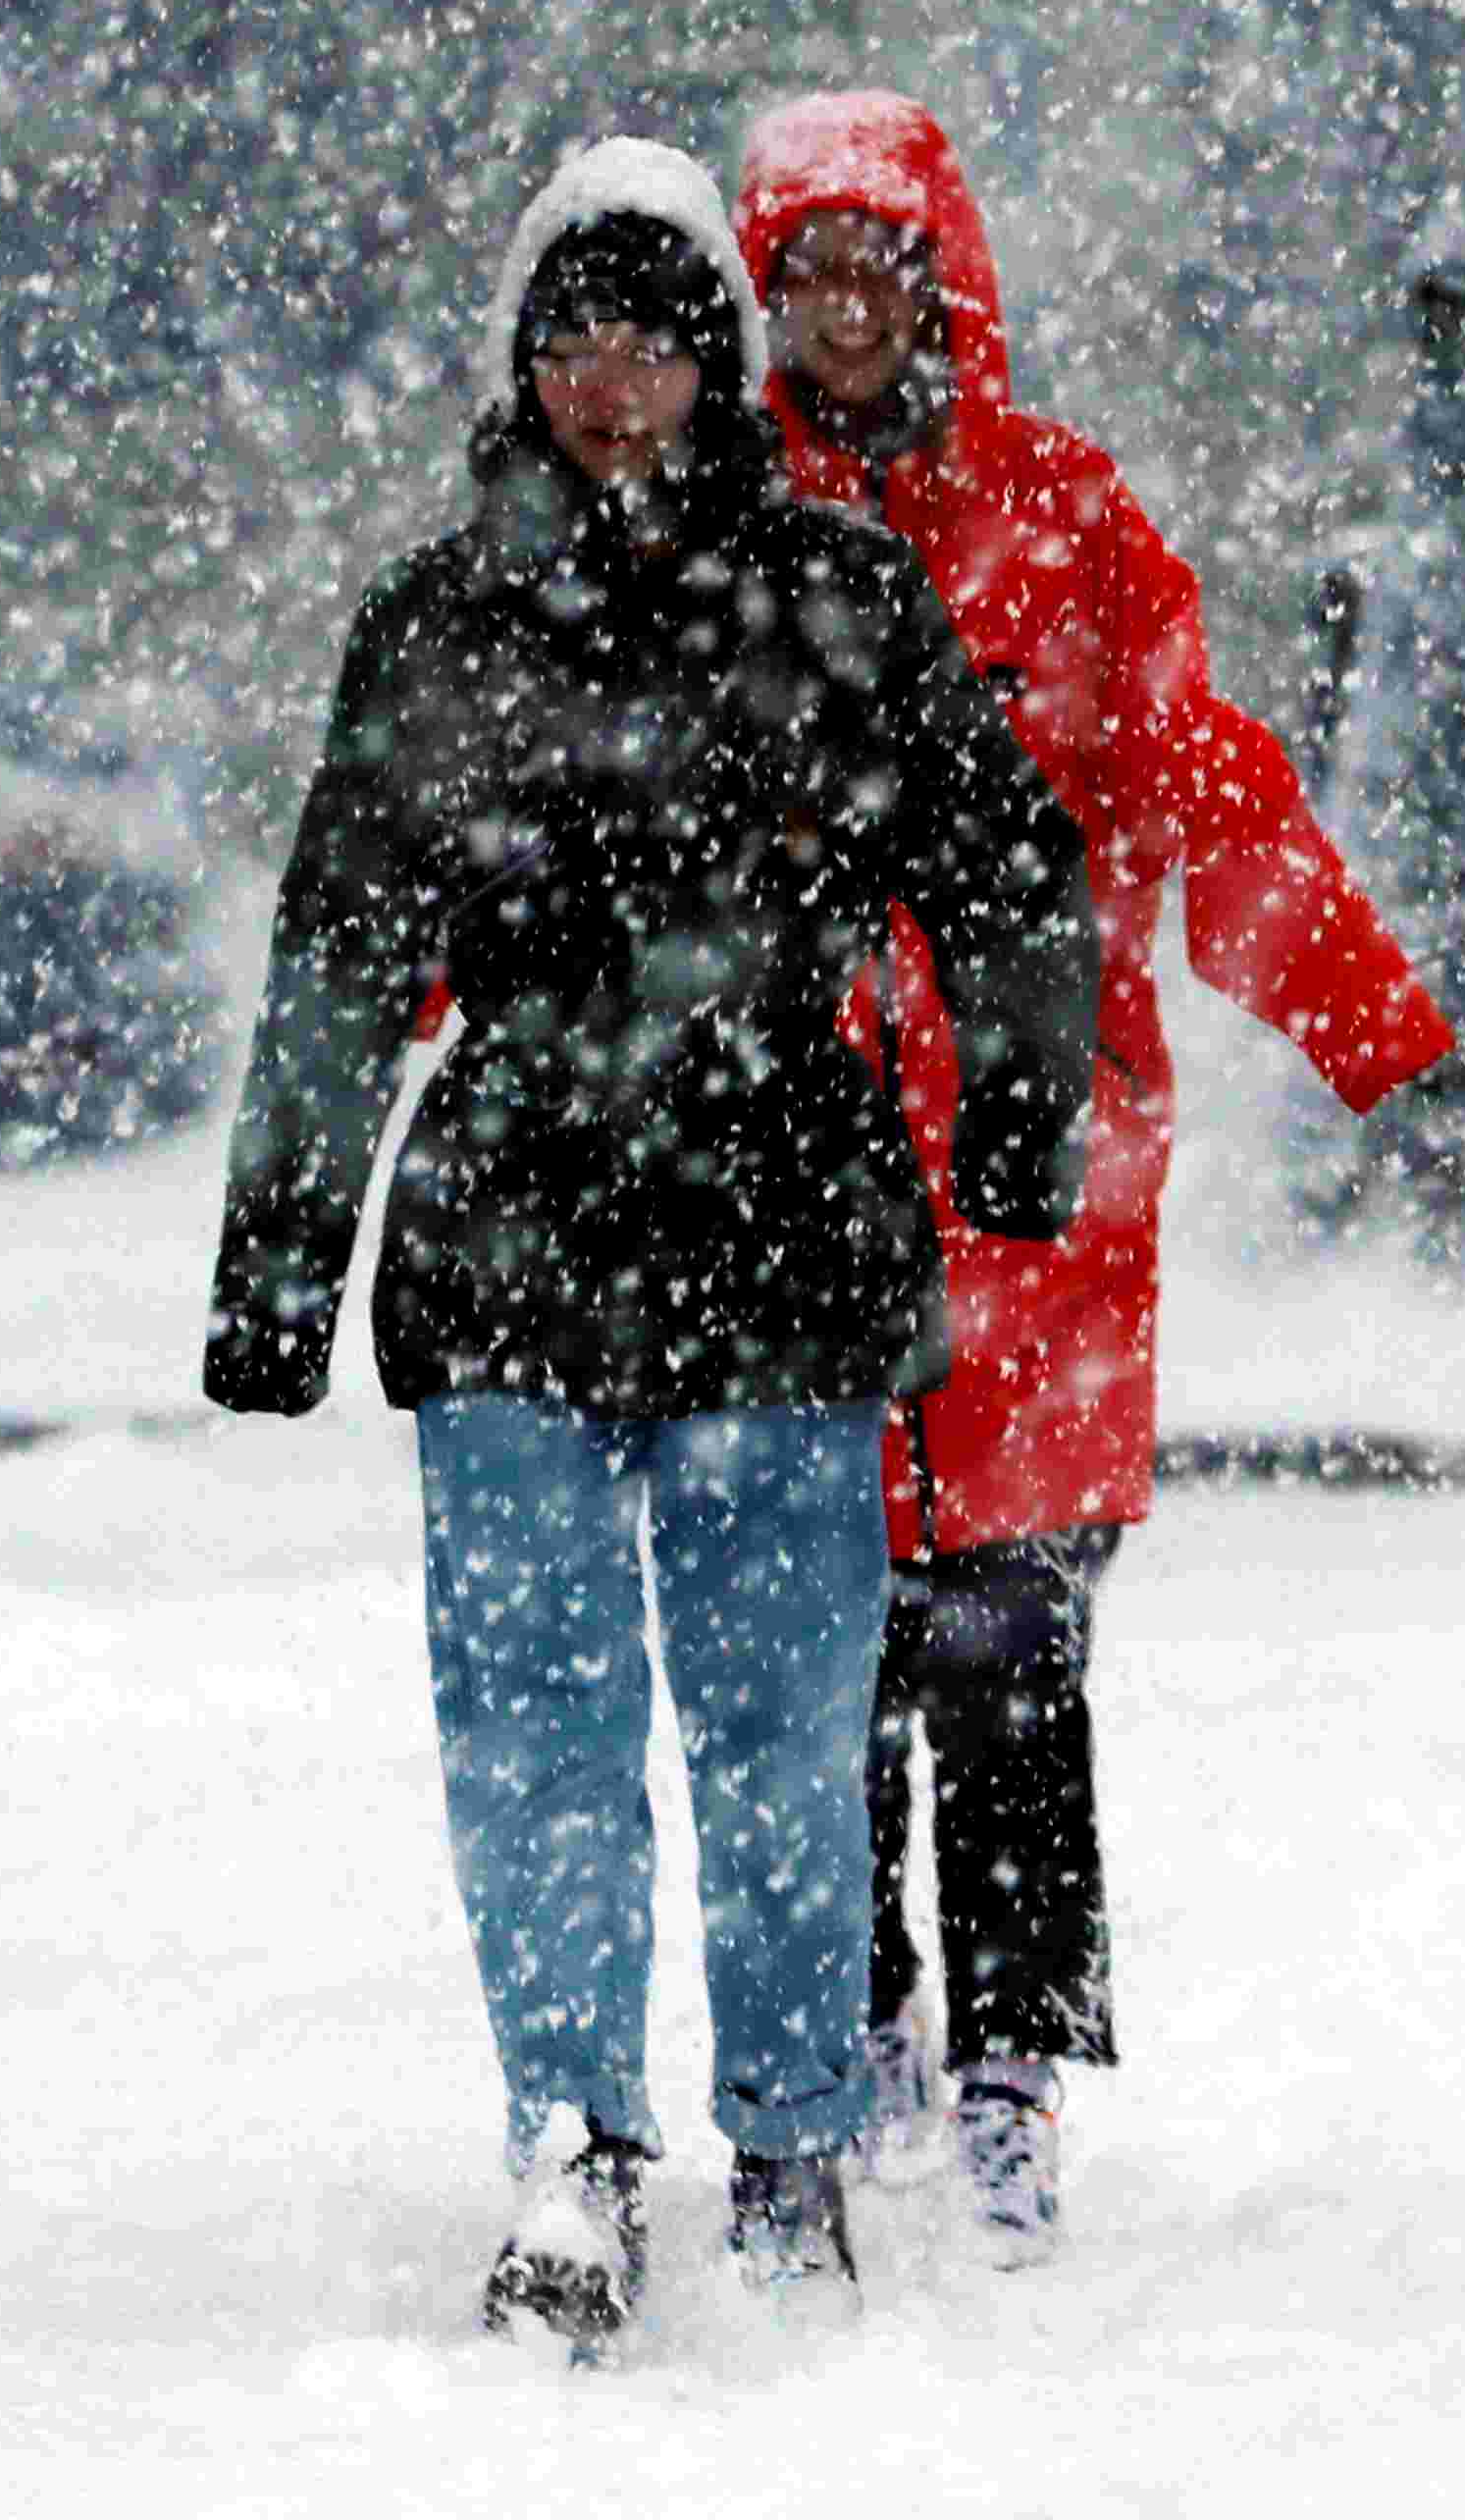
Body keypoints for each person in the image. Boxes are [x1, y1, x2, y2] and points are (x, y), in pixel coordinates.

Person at [200, 140, 1098, 2351]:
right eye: (574, 341)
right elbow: (340, 955)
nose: (617, 385)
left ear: (720, 356)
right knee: (531, 1718)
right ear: (522, 364)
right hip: (511, 1222)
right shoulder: (437, 625)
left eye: (657, 337)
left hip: (780, 1226)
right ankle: (572, 2135)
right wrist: (277, 1257)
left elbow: (1004, 862)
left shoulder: (837, 600)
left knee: (783, 1721)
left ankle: (791, 2134)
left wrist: (1015, 1102)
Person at [729, 86, 1455, 2259]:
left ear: (941, 284)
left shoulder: (1066, 523)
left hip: (1039, 1177)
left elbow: (1209, 788)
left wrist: (1362, 1011)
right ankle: (850, 2018)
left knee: (1013, 1628)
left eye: (876, 274)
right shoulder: (716, 527)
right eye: (803, 282)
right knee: (817, 1635)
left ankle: (1016, 2054)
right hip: (786, 1168)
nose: (843, 318)